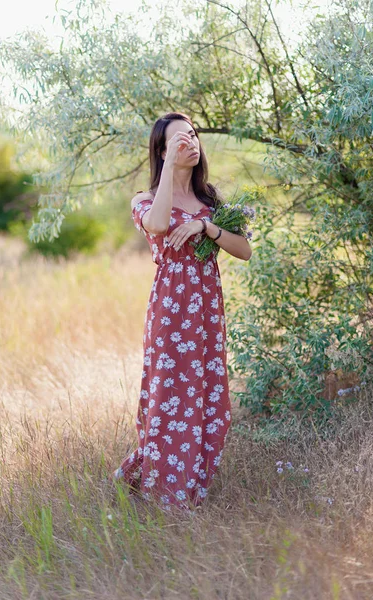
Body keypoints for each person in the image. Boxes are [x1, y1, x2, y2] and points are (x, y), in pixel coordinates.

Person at [113, 111, 252, 512]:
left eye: (192, 135)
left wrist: (206, 227)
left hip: (208, 313)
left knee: (209, 399)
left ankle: (193, 488)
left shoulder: (211, 200)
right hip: (171, 313)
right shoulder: (144, 198)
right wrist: (170, 171)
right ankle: (163, 495)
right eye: (178, 140)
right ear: (161, 150)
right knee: (168, 399)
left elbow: (244, 249)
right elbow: (157, 225)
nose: (190, 142)